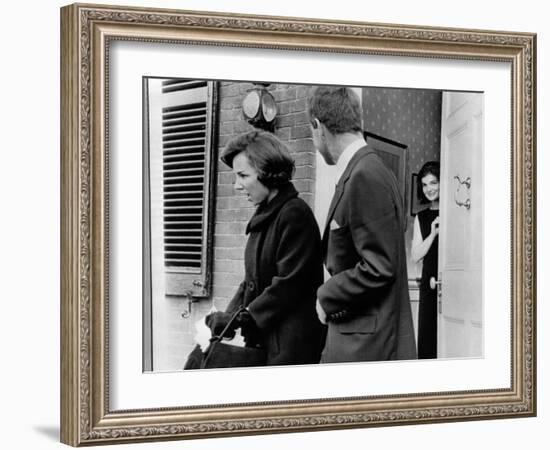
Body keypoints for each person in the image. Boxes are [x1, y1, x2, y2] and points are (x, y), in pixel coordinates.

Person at [307, 86, 417, 362]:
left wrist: (326, 296)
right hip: (360, 338)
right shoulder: (367, 169)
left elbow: (380, 266)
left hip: (366, 347)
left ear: (318, 126)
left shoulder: (364, 174)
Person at [205, 130, 326, 366]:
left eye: (242, 176)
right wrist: (228, 316)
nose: (237, 186)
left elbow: (288, 284)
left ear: (268, 174)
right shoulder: (265, 215)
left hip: (290, 346)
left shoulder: (294, 213)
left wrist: (243, 318)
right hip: (267, 340)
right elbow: (250, 282)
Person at [411, 161, 440, 359]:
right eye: (424, 184)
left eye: (433, 183)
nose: (429, 189)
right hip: (429, 286)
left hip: (449, 284)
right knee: (427, 341)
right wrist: (432, 235)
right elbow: (415, 256)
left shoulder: (457, 212)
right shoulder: (421, 218)